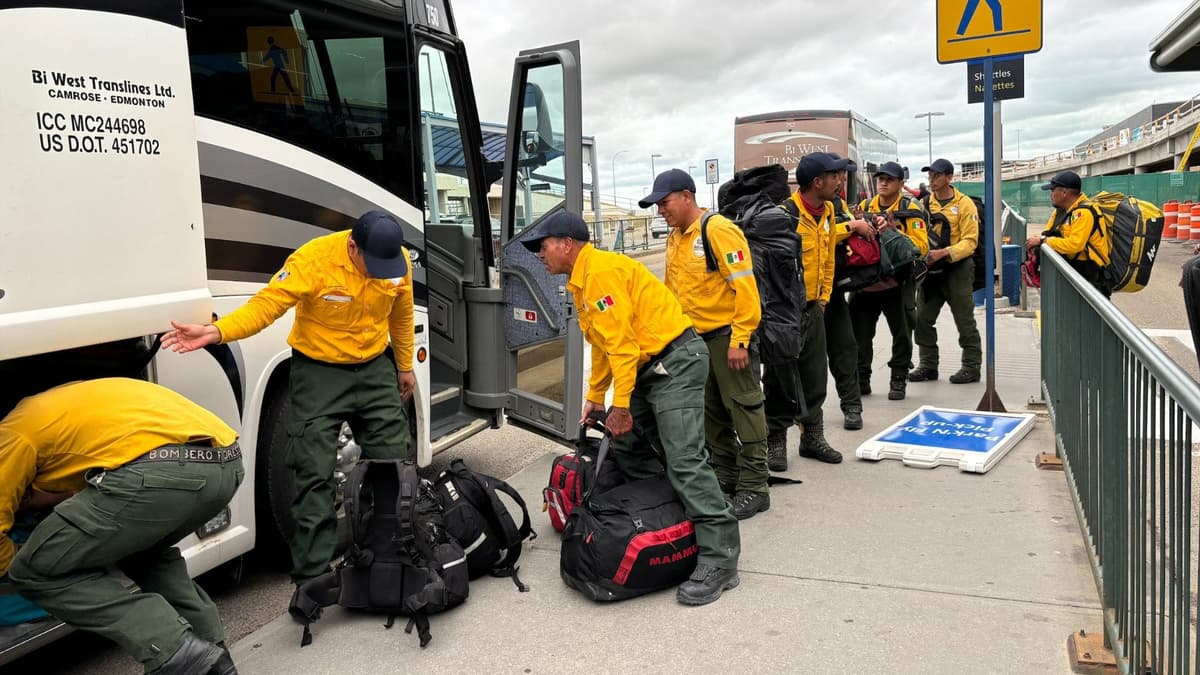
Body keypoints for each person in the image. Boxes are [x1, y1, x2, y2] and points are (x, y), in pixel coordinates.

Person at [161, 210, 416, 592]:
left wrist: (404, 365)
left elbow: (402, 312)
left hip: (375, 366)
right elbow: (267, 306)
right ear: (352, 246)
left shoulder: (397, 262)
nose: (377, 273)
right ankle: (313, 580)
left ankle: (388, 556)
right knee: (312, 474)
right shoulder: (312, 261)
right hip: (320, 372)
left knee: (393, 461)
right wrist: (217, 331)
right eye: (370, 265)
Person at [522, 208, 741, 605]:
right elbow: (606, 347)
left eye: (543, 245)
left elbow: (622, 348)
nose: (539, 253)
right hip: (648, 366)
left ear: (567, 244)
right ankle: (670, 516)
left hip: (675, 362)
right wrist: (595, 398)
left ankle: (720, 558)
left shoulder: (600, 273)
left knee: (686, 458)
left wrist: (619, 407)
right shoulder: (582, 279)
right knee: (629, 447)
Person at [4, 378, 243, 675]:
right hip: (227, 463)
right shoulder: (60, 408)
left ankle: (173, 649)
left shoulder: (11, 436)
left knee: (33, 571)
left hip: (159, 473)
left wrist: (17, 560)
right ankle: (212, 655)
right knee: (140, 549)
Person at [650, 168, 770, 520]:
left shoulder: (718, 231)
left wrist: (741, 340)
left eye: (665, 202)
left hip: (727, 339)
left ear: (687, 196)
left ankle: (754, 486)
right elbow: (674, 293)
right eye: (657, 205)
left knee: (744, 409)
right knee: (711, 414)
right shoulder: (675, 238)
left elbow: (746, 290)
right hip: (695, 342)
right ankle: (726, 478)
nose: (661, 210)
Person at [772, 152, 860, 470]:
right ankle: (775, 442)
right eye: (836, 176)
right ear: (817, 182)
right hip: (784, 313)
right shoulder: (785, 214)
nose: (841, 182)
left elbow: (827, 259)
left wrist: (822, 298)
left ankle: (812, 438)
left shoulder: (830, 211)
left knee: (814, 378)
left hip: (814, 308)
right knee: (781, 379)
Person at [852, 161, 930, 401]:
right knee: (859, 335)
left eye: (889, 179)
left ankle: (898, 378)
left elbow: (922, 248)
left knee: (903, 333)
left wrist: (894, 231)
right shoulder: (864, 207)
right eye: (880, 179)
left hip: (898, 283)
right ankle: (861, 378)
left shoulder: (910, 208)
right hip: (866, 284)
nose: (883, 183)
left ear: (900, 183)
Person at [909, 158, 982, 385]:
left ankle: (971, 367)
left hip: (957, 268)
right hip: (930, 270)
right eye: (930, 175)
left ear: (949, 178)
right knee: (922, 319)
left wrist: (945, 253)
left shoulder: (964, 204)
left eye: (937, 175)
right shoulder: (924, 203)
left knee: (964, 318)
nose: (932, 179)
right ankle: (928, 365)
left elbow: (971, 241)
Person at [823, 158, 872, 430]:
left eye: (843, 174)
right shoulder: (796, 210)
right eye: (837, 174)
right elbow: (823, 235)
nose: (842, 179)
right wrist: (852, 227)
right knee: (809, 362)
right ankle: (808, 424)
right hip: (805, 297)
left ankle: (852, 407)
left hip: (834, 289)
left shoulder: (839, 204)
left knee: (845, 350)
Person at [1025, 171, 1111, 296]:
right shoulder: (1060, 211)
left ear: (1064, 193)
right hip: (1075, 273)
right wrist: (1037, 242)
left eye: (1053, 190)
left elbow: (1075, 245)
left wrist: (1043, 241)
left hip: (1091, 278)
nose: (1051, 195)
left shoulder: (1084, 213)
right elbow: (1048, 233)